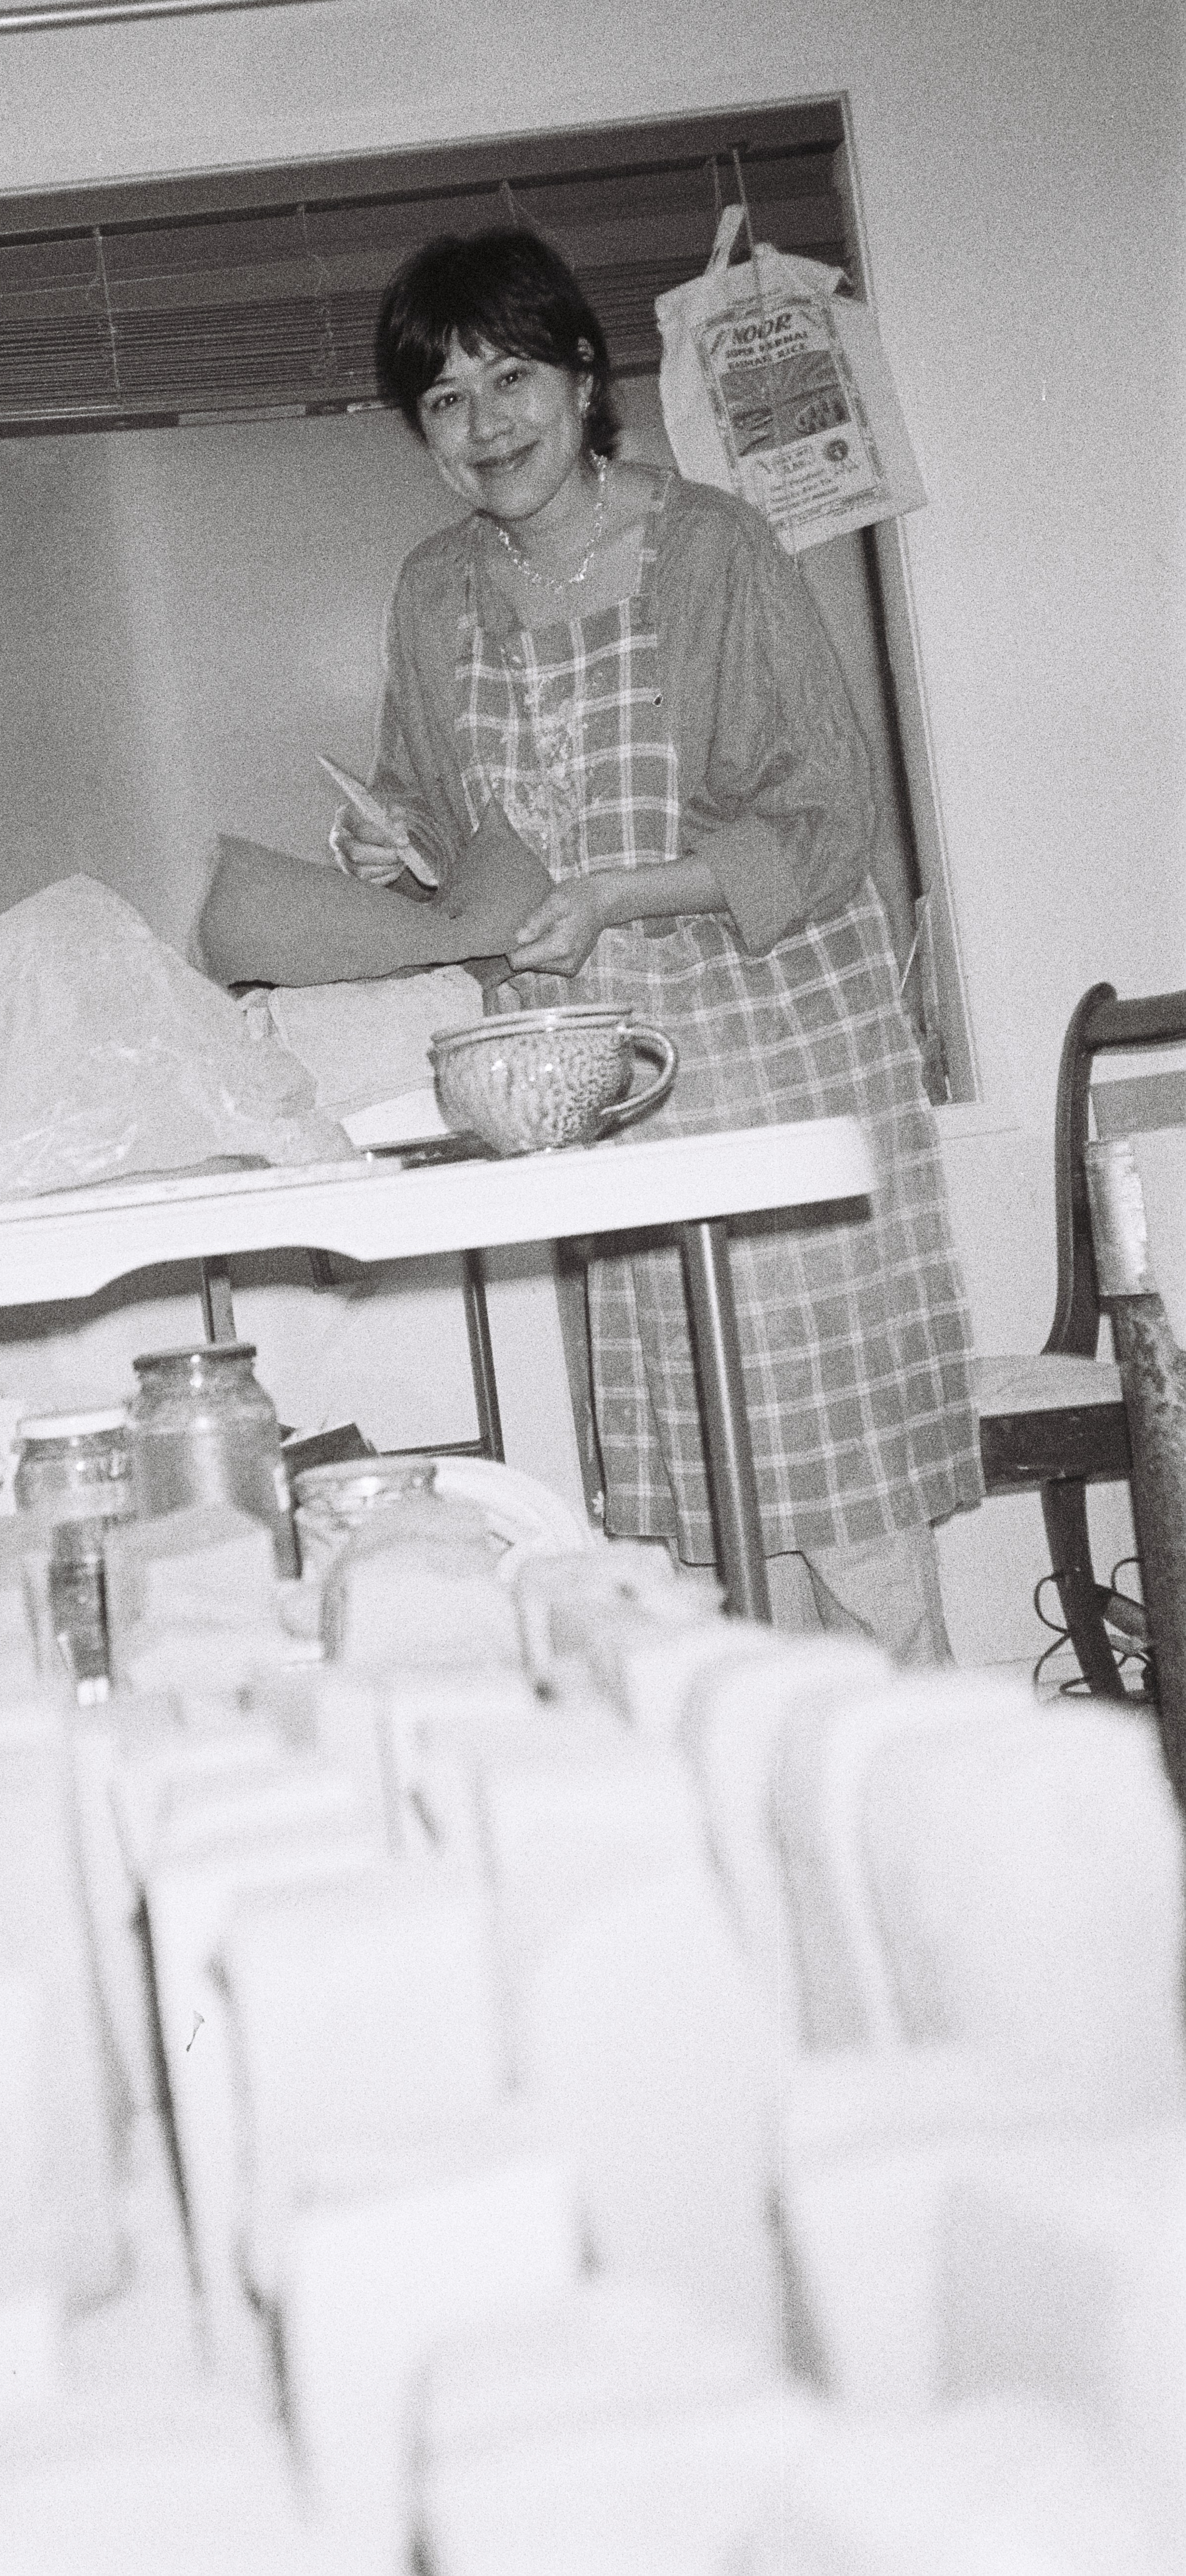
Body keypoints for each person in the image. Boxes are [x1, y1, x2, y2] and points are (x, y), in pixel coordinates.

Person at [333, 226, 980, 1659]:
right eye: (444, 399)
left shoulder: (712, 545)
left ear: (580, 378)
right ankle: (760, 1810)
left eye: (509, 378)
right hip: (599, 1092)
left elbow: (826, 810)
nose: (485, 423)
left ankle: (914, 1795)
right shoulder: (433, 591)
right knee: (691, 1491)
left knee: (836, 1477)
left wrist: (623, 894)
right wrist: (384, 846)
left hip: (776, 1055)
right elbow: (438, 816)